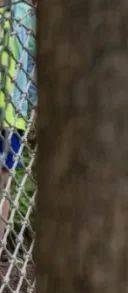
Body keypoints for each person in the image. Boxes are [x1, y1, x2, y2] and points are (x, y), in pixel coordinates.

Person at [0, 0, 35, 237]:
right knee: (4, 186)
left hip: (12, 115)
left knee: (4, 185)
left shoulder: (22, 15)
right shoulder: (26, 15)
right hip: (15, 117)